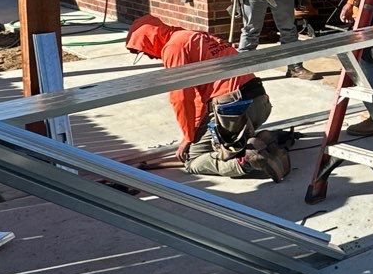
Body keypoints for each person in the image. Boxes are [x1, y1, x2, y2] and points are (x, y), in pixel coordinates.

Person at [123, 14, 291, 179]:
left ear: (149, 40)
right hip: (259, 103)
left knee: (193, 160)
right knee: (208, 140)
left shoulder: (173, 48)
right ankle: (264, 140)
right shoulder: (195, 36)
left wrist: (188, 138)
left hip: (234, 111)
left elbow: (181, 98)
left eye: (144, 51)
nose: (150, 56)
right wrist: (194, 131)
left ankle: (247, 159)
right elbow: (200, 98)